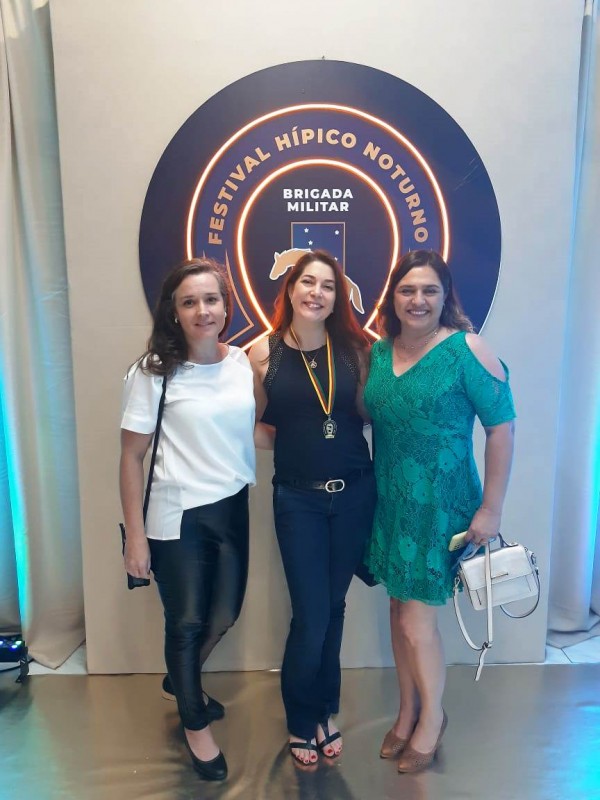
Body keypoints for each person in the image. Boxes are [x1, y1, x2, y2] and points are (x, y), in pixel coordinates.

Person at [363, 249, 515, 773]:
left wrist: (491, 508)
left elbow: (501, 427)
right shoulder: (380, 353)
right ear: (394, 297)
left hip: (442, 504)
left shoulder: (467, 349)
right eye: (407, 290)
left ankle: (432, 720)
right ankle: (407, 712)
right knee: (397, 611)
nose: (418, 300)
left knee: (416, 621)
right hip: (390, 500)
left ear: (445, 295)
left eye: (429, 290)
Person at [119, 258, 256, 781]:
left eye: (211, 299)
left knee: (225, 614)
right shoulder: (154, 371)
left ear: (226, 306)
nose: (203, 310)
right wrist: (136, 536)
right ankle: (195, 725)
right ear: (174, 312)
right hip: (176, 515)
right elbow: (131, 457)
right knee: (187, 621)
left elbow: (250, 431)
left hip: (232, 505)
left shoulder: (242, 362)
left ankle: (181, 681)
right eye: (189, 301)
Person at [249, 250, 376, 767]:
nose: (316, 292)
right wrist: (294, 441)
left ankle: (327, 710)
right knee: (311, 613)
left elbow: (368, 415)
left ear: (338, 298)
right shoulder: (261, 353)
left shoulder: (357, 352)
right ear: (290, 288)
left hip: (353, 494)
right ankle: (303, 719)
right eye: (308, 282)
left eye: (328, 285)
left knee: (335, 607)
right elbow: (252, 425)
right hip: (297, 498)